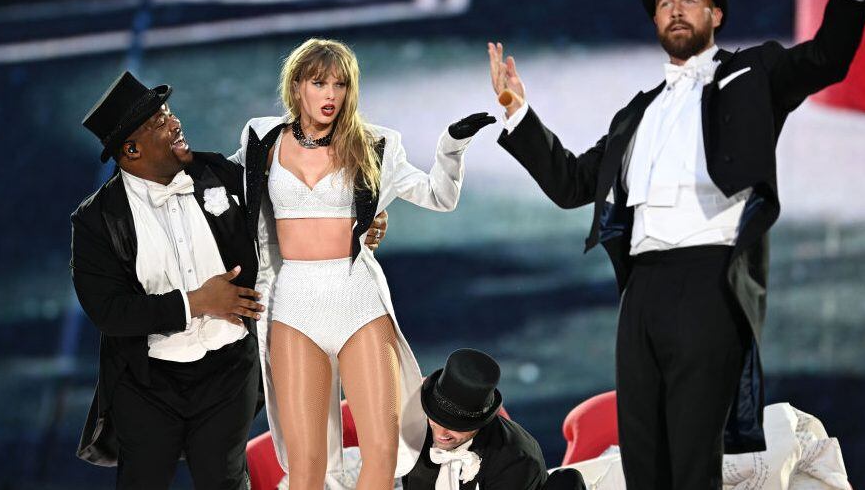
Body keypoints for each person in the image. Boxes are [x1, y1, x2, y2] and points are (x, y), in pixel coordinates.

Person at [487, 0, 865, 488]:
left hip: (709, 282)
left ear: (716, 12)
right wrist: (518, 115)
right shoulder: (635, 116)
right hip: (641, 292)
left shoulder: (753, 75)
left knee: (693, 460)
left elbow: (827, 56)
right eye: (664, 3)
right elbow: (572, 184)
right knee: (644, 459)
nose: (675, 9)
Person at [231, 38, 494, 489]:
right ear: (296, 87)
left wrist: (452, 148)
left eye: (341, 84)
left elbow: (439, 195)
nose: (331, 95)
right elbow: (225, 189)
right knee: (307, 465)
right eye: (319, 83)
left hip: (357, 300)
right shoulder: (262, 139)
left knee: (383, 452)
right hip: (292, 304)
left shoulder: (375, 144)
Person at [70, 71, 265, 489]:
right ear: (132, 149)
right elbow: (111, 312)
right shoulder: (97, 221)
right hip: (147, 385)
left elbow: (287, 214)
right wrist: (197, 302)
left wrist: (364, 223)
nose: (175, 123)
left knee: (224, 480)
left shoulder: (218, 174)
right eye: (160, 122)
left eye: (169, 114)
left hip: (229, 372)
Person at [402, 349, 551, 490]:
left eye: (453, 425)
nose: (440, 434)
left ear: (477, 422)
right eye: (435, 419)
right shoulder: (415, 429)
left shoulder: (516, 461)